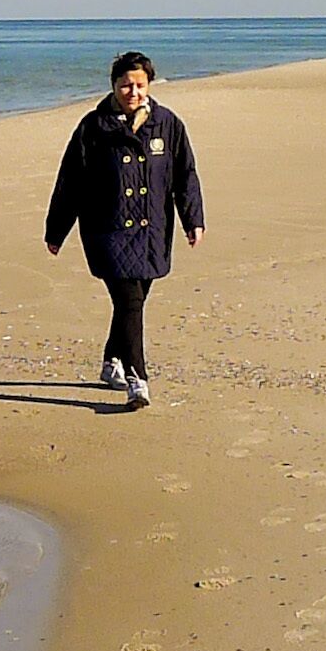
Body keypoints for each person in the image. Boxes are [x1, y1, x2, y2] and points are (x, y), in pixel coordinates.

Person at [44, 51, 204, 409]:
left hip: (152, 230)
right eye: (125, 85)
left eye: (140, 85)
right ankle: (137, 380)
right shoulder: (93, 127)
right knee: (130, 301)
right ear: (114, 85)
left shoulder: (167, 124)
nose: (133, 92)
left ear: (150, 85)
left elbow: (185, 175)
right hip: (107, 230)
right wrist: (57, 230)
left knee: (133, 301)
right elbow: (71, 182)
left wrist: (193, 219)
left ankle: (111, 362)